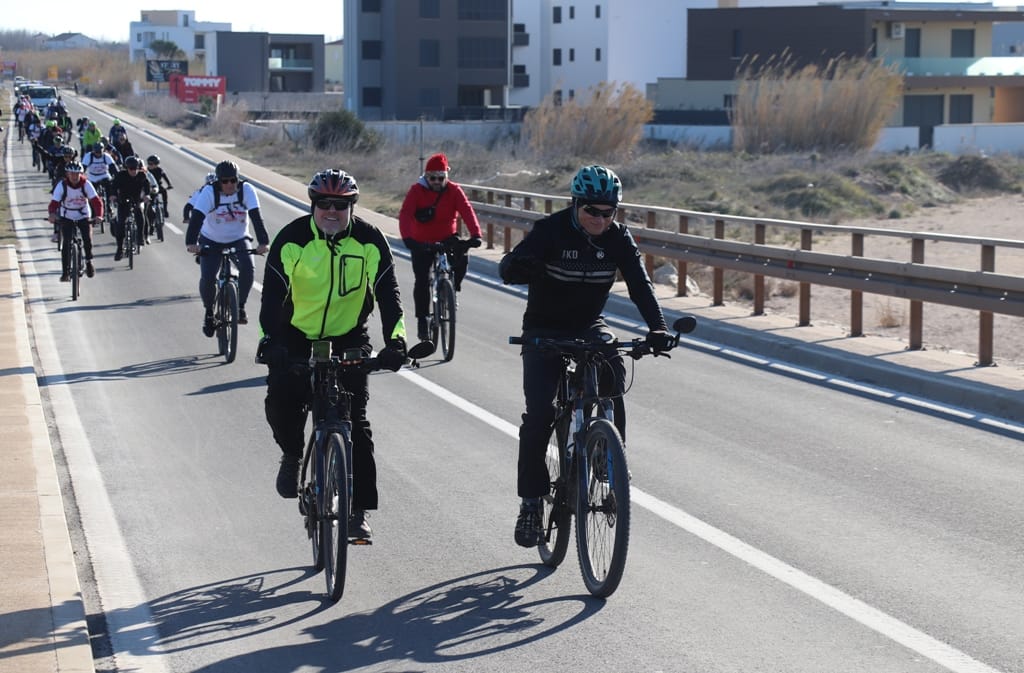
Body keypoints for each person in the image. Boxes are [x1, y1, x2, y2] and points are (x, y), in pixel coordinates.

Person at [498, 165, 675, 548]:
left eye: (607, 212)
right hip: (544, 330)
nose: (599, 219)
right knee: (540, 414)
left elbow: (641, 286)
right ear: (575, 204)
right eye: (591, 211)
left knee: (614, 368)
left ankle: (607, 456)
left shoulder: (617, 238)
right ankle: (530, 503)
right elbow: (508, 268)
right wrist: (517, 267)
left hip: (588, 324)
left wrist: (657, 329)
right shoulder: (551, 231)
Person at [256, 168, 408, 540]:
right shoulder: (291, 239)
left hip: (348, 335)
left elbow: (389, 294)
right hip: (295, 334)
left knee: (356, 420)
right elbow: (272, 297)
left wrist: (396, 342)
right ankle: (292, 455)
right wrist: (269, 341)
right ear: (313, 204)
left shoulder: (370, 241)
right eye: (323, 203)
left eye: (341, 205)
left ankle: (358, 512)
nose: (331, 210)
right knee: (280, 403)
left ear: (352, 207)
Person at [398, 152, 483, 340]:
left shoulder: (454, 190)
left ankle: (452, 290)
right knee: (421, 280)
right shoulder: (416, 191)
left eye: (441, 177)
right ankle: (422, 320)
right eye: (432, 178)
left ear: (447, 176)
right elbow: (405, 214)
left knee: (463, 257)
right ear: (426, 177)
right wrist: (408, 238)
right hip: (422, 241)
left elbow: (467, 210)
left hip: (446, 238)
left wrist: (476, 234)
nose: (436, 181)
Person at [186, 160, 270, 333]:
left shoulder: (247, 190)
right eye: (225, 181)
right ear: (218, 181)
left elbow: (256, 217)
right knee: (208, 277)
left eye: (233, 180)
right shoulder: (209, 192)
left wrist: (263, 242)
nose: (230, 184)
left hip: (239, 238)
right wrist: (191, 243)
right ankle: (209, 312)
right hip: (211, 239)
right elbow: (196, 219)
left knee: (248, 268)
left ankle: (240, 306)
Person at [48, 160, 103, 281]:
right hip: (67, 214)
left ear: (81, 174)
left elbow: (96, 202)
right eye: (71, 174)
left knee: (87, 239)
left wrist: (98, 216)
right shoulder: (62, 185)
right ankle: (65, 272)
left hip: (83, 214)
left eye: (77, 174)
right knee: (66, 243)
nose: (74, 176)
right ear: (67, 174)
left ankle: (89, 261)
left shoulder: (86, 184)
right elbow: (54, 203)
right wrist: (52, 214)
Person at [108, 155, 151, 260]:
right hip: (123, 200)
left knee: (140, 215)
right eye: (131, 168)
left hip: (136, 200)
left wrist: (147, 195)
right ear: (127, 168)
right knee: (121, 223)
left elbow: (147, 186)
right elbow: (114, 186)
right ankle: (119, 249)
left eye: (136, 168)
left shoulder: (142, 175)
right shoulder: (120, 175)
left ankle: (140, 237)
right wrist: (113, 196)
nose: (133, 171)